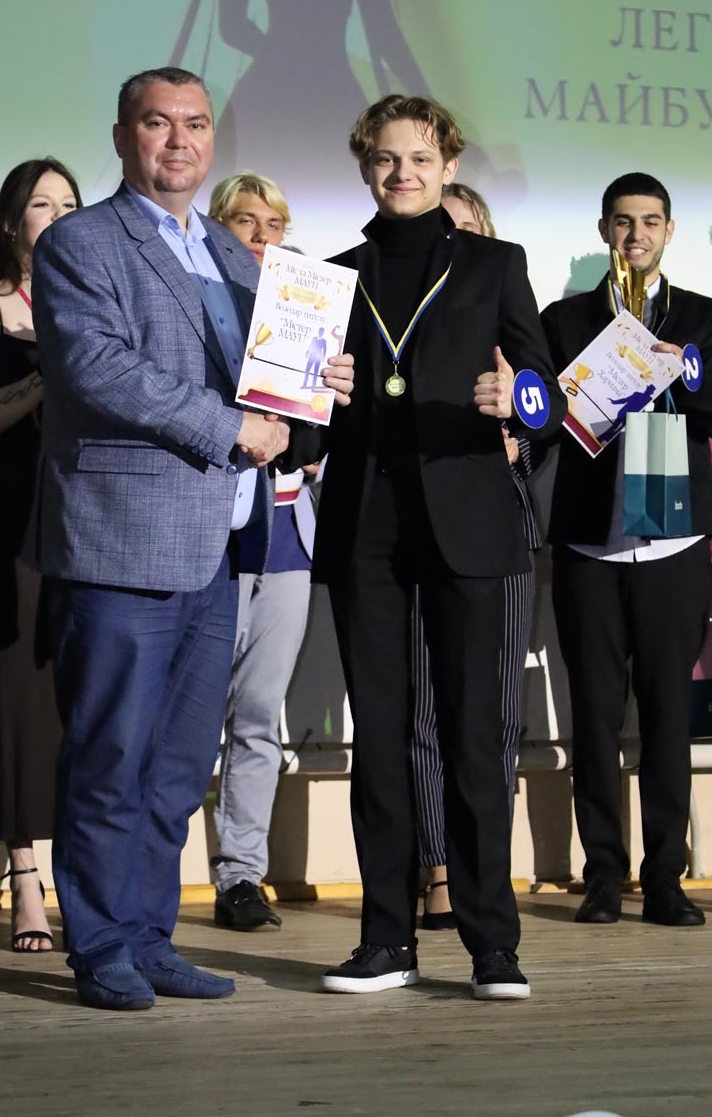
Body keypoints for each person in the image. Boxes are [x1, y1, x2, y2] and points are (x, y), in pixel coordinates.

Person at [30, 68, 354, 1011]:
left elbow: (267, 379)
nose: (180, 140)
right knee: (109, 759)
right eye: (158, 123)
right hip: (122, 541)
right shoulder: (82, 242)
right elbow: (97, 368)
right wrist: (229, 426)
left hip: (220, 542)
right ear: (123, 135)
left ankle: (149, 937)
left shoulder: (232, 252)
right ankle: (101, 948)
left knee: (176, 768)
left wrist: (316, 381)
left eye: (197, 124)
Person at [286, 94, 564, 1000]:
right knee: (380, 741)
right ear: (365, 168)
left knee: (474, 737)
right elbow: (298, 436)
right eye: (384, 158)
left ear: (448, 166)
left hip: (468, 523)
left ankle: (493, 947)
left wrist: (516, 400)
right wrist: (317, 394)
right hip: (367, 529)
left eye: (418, 158)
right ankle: (385, 942)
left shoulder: (493, 263)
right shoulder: (331, 278)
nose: (401, 172)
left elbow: (545, 393)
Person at [541, 172, 712, 928]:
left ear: (669, 231)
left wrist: (682, 372)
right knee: (595, 716)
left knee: (668, 716)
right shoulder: (564, 319)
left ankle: (665, 878)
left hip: (674, 541)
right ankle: (603, 875)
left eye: (649, 221)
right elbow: (542, 416)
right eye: (622, 221)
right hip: (590, 542)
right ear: (603, 230)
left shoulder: (702, 316)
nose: (635, 234)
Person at [0, 157, 82, 951]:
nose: (59, 215)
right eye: (42, 204)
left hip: (88, 525)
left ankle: (83, 876)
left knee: (83, 702)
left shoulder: (95, 298)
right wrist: (52, 370)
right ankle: (25, 877)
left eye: (70, 203)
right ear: (12, 221)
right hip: (13, 525)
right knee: (18, 700)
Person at [411, 183, 540, 931]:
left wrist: (517, 431)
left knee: (496, 713)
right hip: (417, 523)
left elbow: (547, 414)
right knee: (426, 711)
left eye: (463, 228)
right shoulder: (402, 318)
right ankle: (437, 869)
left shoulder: (506, 309)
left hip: (497, 526)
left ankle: (487, 871)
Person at [207, 172, 318, 931]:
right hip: (209, 533)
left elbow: (316, 432)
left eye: (273, 224)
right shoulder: (198, 302)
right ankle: (147, 875)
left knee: (256, 715)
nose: (260, 235)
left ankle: (240, 876)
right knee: (186, 715)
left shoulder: (304, 311)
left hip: (285, 537)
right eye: (244, 221)